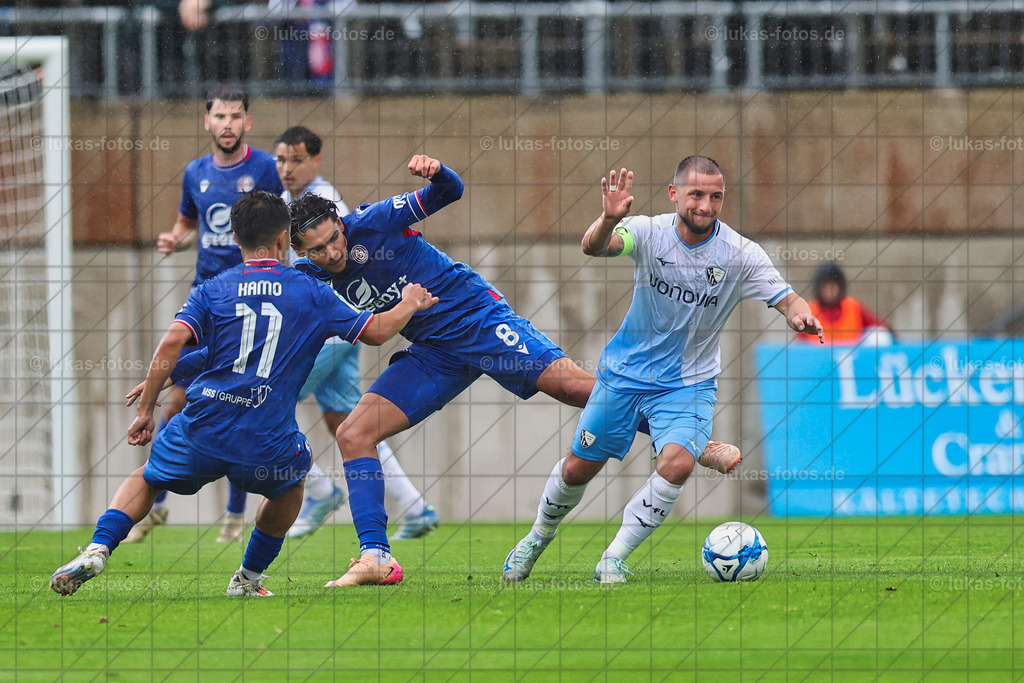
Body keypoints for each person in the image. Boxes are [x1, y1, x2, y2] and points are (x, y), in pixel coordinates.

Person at [287, 154, 742, 587]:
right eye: (318, 249)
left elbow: (451, 189)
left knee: (570, 387)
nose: (332, 252)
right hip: (433, 351)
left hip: (477, 319)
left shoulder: (375, 220)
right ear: (300, 252)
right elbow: (372, 334)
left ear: (341, 224)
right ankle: (377, 558)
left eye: (335, 239)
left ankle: (688, 440)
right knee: (353, 434)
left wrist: (436, 170)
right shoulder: (309, 278)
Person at [50, 191, 436, 597]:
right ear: (285, 240)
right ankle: (247, 579)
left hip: (205, 425)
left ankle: (98, 548)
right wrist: (408, 302)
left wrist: (149, 404)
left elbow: (174, 343)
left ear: (235, 238)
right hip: (266, 438)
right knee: (291, 488)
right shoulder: (312, 293)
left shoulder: (214, 289)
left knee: (147, 478)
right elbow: (375, 332)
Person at [502, 156, 825, 585]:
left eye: (715, 197)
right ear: (675, 194)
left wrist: (799, 316)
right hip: (624, 376)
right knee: (578, 469)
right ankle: (537, 537)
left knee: (676, 464)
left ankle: (613, 558)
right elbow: (595, 247)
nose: (706, 205)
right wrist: (607, 219)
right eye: (696, 195)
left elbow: (788, 297)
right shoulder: (648, 232)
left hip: (688, 385)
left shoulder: (741, 254)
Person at [124, 85, 284, 545]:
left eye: (236, 116)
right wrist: (176, 239)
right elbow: (191, 224)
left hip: (251, 301)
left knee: (240, 398)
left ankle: (235, 515)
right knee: (177, 398)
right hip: (206, 299)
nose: (228, 123)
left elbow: (279, 231)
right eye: (220, 116)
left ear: (247, 122)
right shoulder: (196, 172)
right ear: (207, 122)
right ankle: (153, 506)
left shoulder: (266, 170)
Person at [274, 124, 440, 539]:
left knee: (264, 400)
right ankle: (416, 508)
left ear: (316, 160)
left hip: (334, 328)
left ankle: (317, 490)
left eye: (296, 160)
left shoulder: (324, 203)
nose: (287, 168)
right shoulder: (286, 203)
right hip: (340, 330)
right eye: (280, 159)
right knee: (346, 422)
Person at [798, 261, 892, 345]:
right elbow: (799, 346)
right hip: (819, 360)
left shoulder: (853, 306)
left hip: (853, 358)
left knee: (880, 335)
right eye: (825, 287)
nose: (829, 292)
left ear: (840, 287)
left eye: (832, 286)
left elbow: (882, 327)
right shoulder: (809, 311)